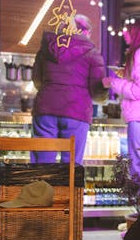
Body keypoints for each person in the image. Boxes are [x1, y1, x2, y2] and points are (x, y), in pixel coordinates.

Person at [31, 13, 105, 163]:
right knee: (71, 166)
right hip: (77, 111)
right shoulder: (92, 53)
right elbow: (97, 91)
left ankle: (43, 187)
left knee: (42, 164)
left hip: (46, 108)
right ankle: (67, 187)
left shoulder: (46, 49)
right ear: (84, 32)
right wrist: (104, 92)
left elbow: (37, 80)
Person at [103, 22, 140, 180]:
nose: (125, 35)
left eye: (128, 31)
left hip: (138, 117)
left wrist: (113, 82)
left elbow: (138, 90)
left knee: (137, 163)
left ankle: (138, 200)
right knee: (137, 161)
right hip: (138, 116)